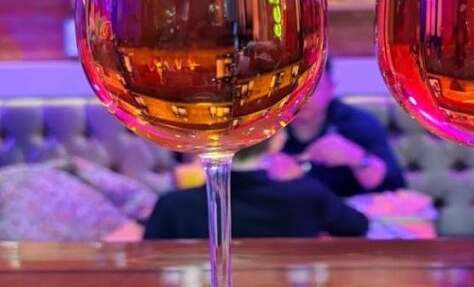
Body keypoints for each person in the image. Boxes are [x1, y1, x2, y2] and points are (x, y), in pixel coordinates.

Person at [144, 133, 370, 239]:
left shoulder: (172, 206)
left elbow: (151, 262)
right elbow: (357, 225)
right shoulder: (307, 194)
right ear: (276, 140)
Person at [265, 60, 406, 197]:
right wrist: (262, 169)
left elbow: (395, 187)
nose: (303, 98)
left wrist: (357, 158)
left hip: (347, 215)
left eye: (313, 88)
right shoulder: (261, 128)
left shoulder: (358, 123)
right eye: (293, 89)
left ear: (331, 88)